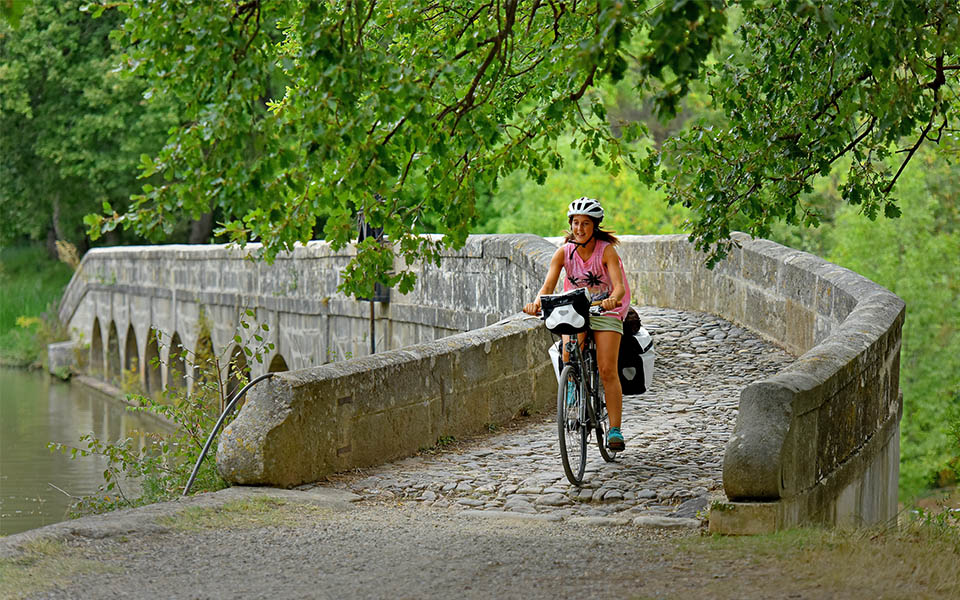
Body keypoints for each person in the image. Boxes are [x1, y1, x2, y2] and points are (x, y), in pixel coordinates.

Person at [523, 197, 631, 451]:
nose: (579, 228)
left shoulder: (606, 251)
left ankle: (615, 429)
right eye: (575, 223)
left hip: (606, 310)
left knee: (606, 369)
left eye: (585, 223)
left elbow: (619, 286)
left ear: (595, 226)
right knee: (568, 353)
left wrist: (613, 299)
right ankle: (572, 390)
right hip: (575, 308)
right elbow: (548, 286)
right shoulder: (564, 252)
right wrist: (536, 303)